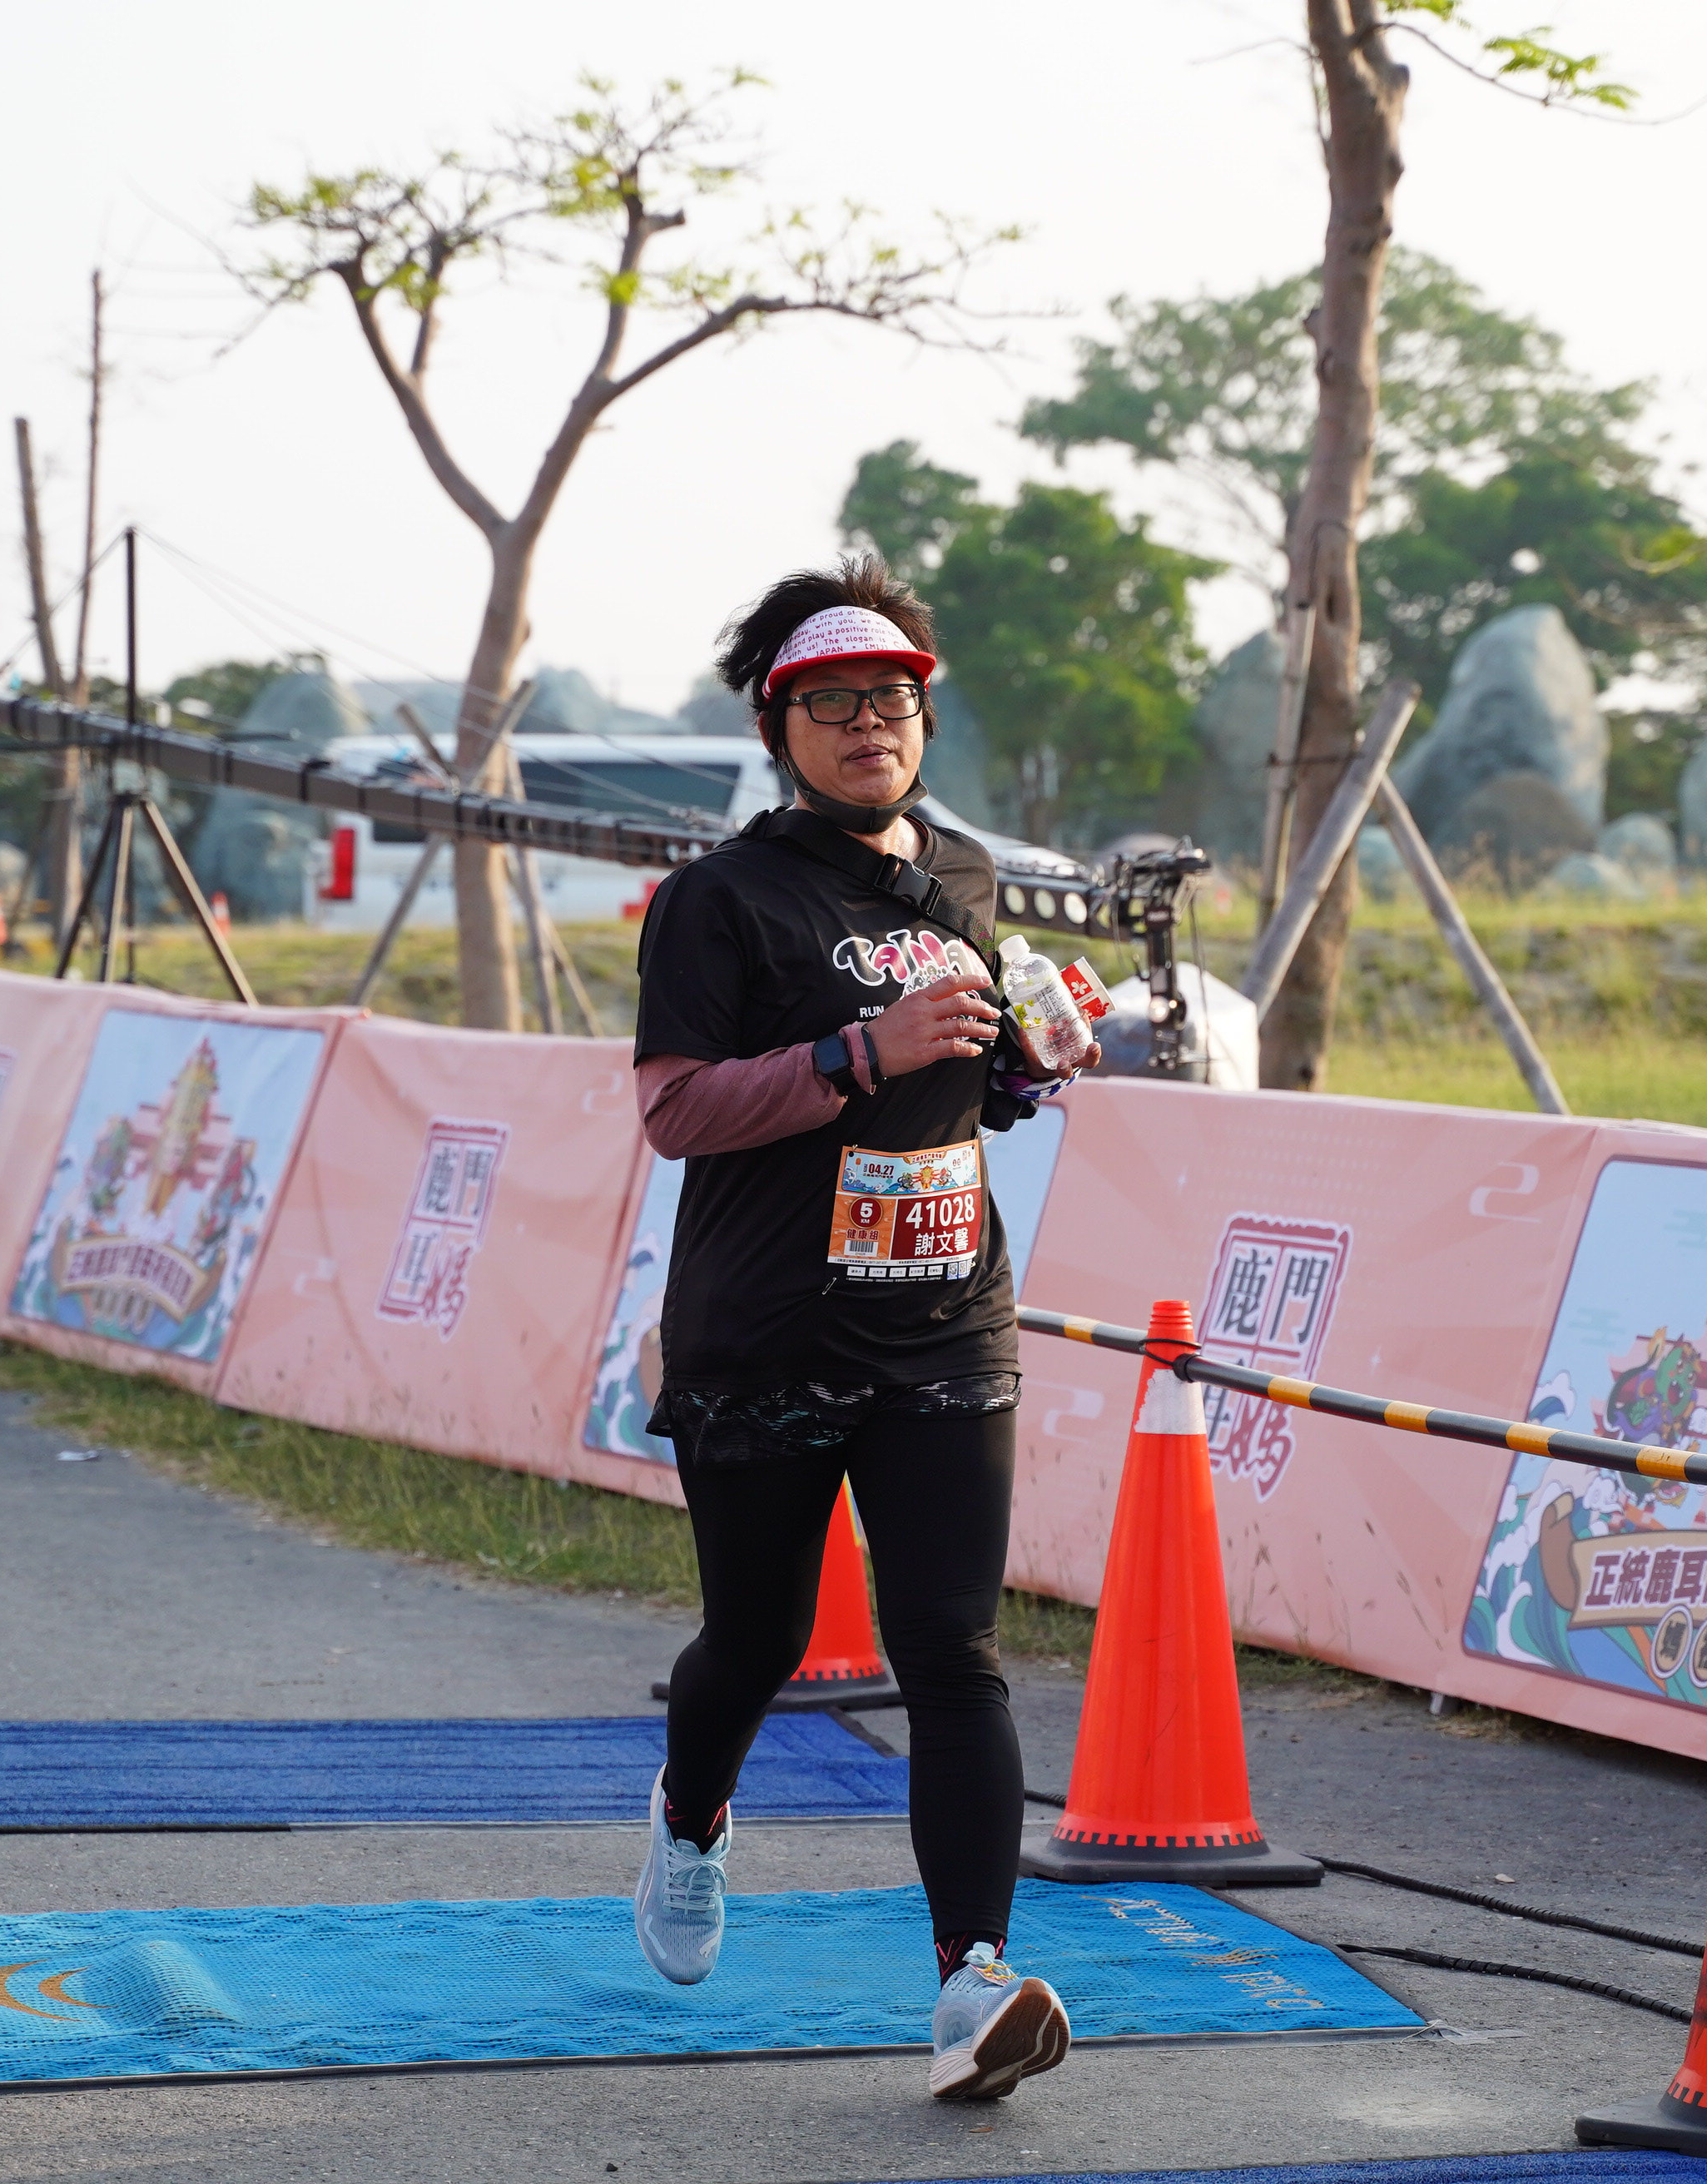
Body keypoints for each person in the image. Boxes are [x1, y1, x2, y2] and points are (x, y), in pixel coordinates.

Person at [626, 555, 1084, 2104]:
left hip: (946, 1316)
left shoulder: (964, 877)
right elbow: (677, 1110)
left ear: (924, 717)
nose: (870, 723)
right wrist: (855, 1051)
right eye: (833, 704)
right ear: (781, 729)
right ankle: (691, 1815)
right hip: (768, 1325)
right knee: (756, 1639)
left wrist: (1027, 1062)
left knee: (951, 1648)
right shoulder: (720, 900)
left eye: (893, 697)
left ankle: (972, 1983)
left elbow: (969, 1088)